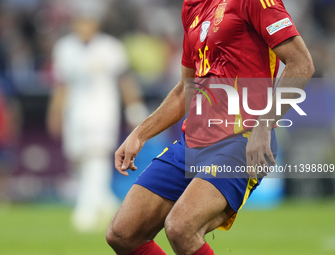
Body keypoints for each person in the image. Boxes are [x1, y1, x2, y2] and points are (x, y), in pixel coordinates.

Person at [106, 0, 314, 254]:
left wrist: (264, 126)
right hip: (192, 142)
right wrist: (140, 134)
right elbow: (185, 89)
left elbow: (301, 63)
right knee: (122, 233)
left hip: (241, 139)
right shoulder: (191, 7)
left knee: (181, 228)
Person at [47, 3, 147, 232]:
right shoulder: (65, 48)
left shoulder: (111, 48)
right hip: (75, 113)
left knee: (98, 155)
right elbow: (61, 86)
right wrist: (55, 112)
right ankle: (107, 203)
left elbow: (125, 81)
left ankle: (86, 211)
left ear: (96, 24)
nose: (84, 26)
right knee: (80, 159)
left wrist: (135, 107)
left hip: (103, 112)